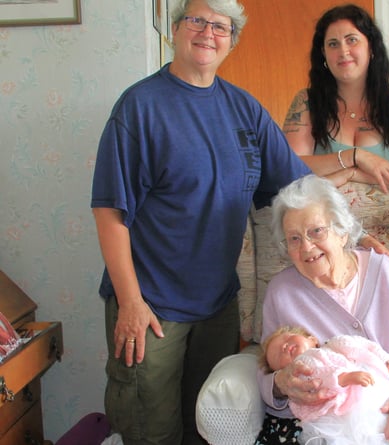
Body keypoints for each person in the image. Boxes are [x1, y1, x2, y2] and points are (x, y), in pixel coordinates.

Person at [90, 1, 314, 443]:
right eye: (196, 20)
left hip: (216, 306)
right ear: (175, 29)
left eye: (221, 26)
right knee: (150, 431)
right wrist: (131, 302)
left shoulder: (244, 110)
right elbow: (110, 211)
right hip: (152, 307)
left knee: (209, 429)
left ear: (232, 39)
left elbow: (299, 188)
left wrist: (357, 236)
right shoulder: (139, 107)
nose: (208, 32)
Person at [255, 174, 389, 445]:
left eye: (316, 231)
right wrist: (280, 384)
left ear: (343, 231)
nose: (307, 247)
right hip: (336, 424)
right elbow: (267, 365)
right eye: (294, 239)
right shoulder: (281, 292)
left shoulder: (384, 271)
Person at [281, 4, 389, 193]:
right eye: (333, 44)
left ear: (371, 48)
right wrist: (355, 157)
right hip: (324, 220)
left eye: (352, 40)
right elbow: (290, 168)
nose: (343, 51)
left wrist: (352, 174)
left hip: (387, 221)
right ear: (324, 54)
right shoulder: (306, 102)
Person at [261, 326, 389, 444]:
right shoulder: (302, 367)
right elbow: (319, 378)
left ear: (312, 339)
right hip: (343, 414)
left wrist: (388, 361)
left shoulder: (334, 343)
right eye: (277, 354)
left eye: (288, 338)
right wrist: (344, 378)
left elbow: (366, 345)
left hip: (374, 392)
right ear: (282, 371)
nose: (284, 346)